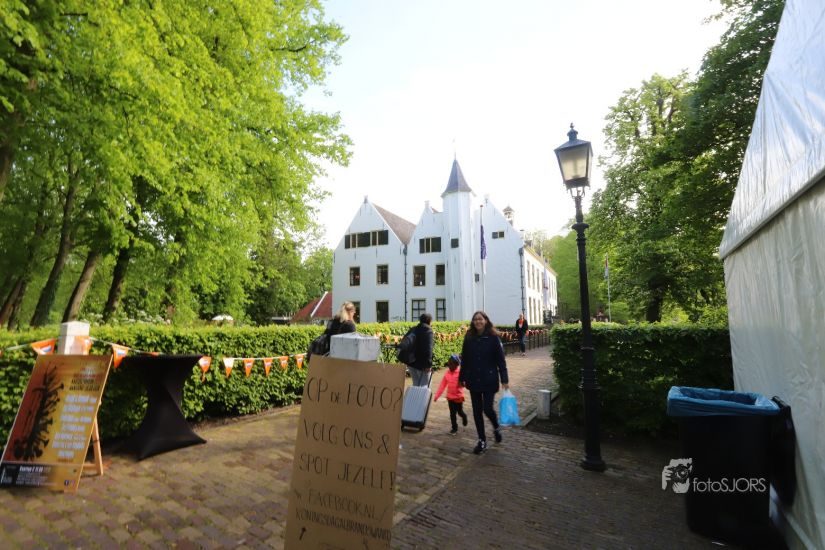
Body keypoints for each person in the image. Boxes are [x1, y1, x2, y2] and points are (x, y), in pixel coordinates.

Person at [459, 310, 509, 454]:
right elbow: (465, 359)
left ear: (486, 320)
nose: (478, 321)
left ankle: (496, 426)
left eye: (480, 319)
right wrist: (461, 377)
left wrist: (504, 379)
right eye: (475, 319)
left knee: (487, 408)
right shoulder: (469, 337)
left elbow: (501, 360)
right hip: (473, 379)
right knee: (476, 412)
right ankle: (482, 440)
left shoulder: (493, 337)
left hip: (489, 379)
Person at [433, 354, 468, 434]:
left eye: (452, 365)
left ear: (457, 365)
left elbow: (465, 384)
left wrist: (463, 383)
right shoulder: (447, 374)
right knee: (452, 414)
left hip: (458, 397)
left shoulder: (460, 373)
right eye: (449, 364)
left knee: (460, 412)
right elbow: (442, 385)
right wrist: (437, 396)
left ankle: (464, 416)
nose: (450, 366)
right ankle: (454, 428)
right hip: (450, 397)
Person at [408, 313, 434, 386]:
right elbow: (428, 349)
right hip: (422, 364)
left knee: (416, 384)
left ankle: (415, 394)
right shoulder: (428, 331)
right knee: (425, 385)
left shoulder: (413, 329)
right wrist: (428, 365)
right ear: (429, 321)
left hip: (411, 362)